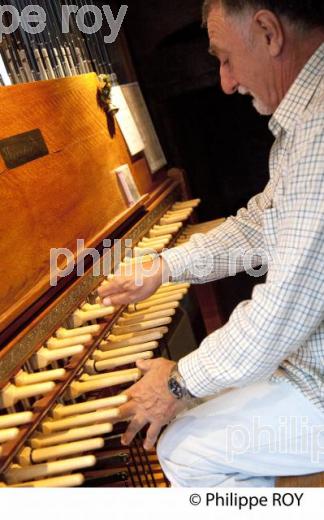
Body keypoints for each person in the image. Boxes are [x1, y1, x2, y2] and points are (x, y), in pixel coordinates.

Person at [98, 0, 324, 487]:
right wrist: (162, 267)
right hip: (309, 356)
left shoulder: (319, 131)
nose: (226, 81)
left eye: (225, 58)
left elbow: (280, 313)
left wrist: (179, 380)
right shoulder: (305, 122)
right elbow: (258, 225)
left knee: (184, 450)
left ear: (268, 32)